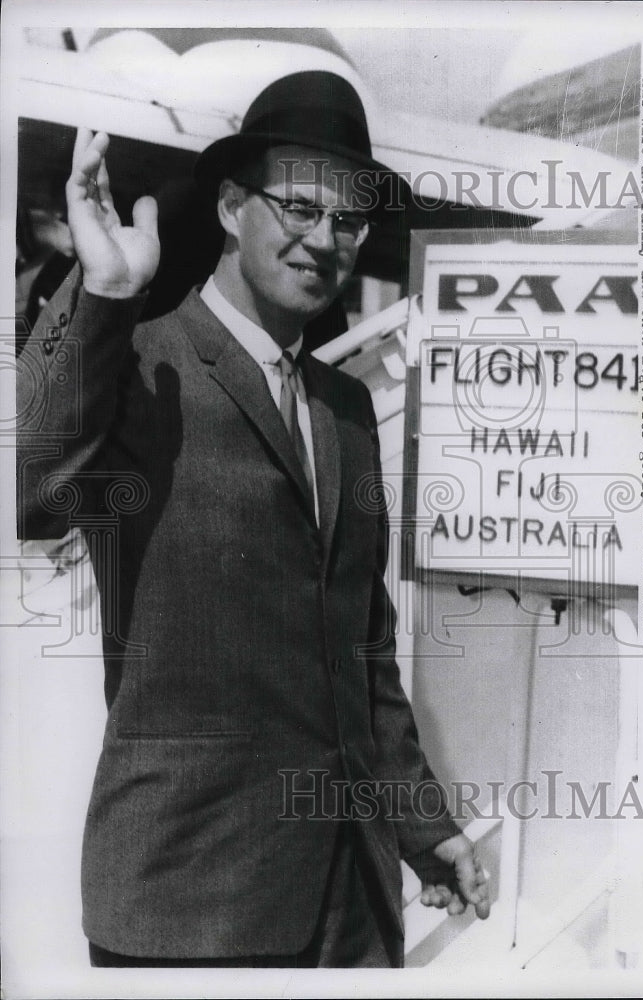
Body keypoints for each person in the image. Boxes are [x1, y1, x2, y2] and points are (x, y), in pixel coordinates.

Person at [16, 71, 490, 968]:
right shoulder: (141, 363)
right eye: (300, 208)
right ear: (232, 207)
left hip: (350, 909)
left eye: (348, 220)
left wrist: (423, 827)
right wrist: (104, 293)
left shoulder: (346, 409)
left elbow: (361, 648)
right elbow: (33, 495)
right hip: (192, 905)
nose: (325, 239)